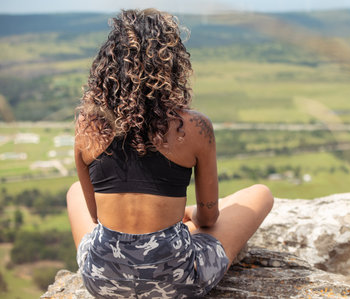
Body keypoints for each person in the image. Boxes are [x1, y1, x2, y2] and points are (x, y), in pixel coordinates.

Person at [67, 8, 274, 298]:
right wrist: (188, 216)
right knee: (261, 193)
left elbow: (96, 218)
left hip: (102, 282)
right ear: (171, 66)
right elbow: (209, 220)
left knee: (74, 190)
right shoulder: (194, 126)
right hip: (176, 283)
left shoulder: (86, 126)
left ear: (108, 66)